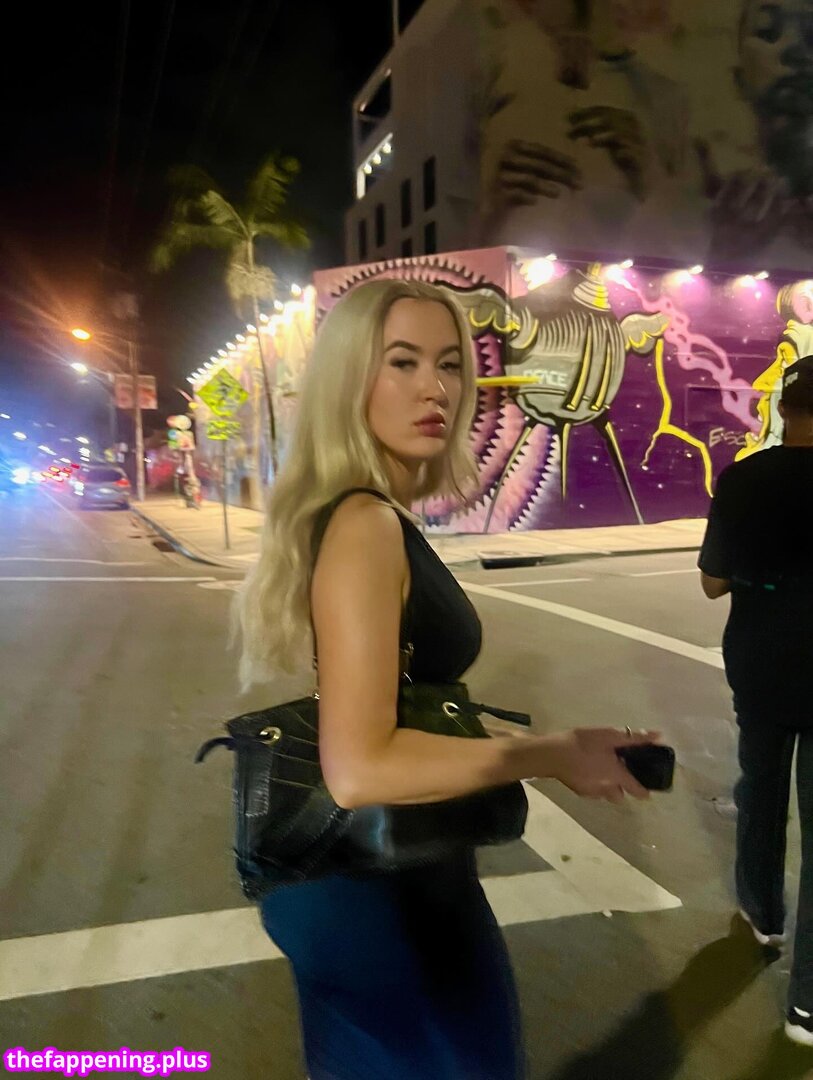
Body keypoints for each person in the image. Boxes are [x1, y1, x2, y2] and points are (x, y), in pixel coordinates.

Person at [236, 278, 658, 1080]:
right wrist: (549, 755)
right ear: (349, 380)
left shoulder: (372, 516)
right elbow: (360, 767)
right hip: (383, 902)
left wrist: (549, 744)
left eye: (450, 363)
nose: (434, 388)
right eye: (402, 362)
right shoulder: (363, 525)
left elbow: (406, 707)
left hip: (385, 889)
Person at [698, 354, 813, 1047]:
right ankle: (808, 1008)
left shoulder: (744, 478)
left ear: (783, 409)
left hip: (762, 666)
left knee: (760, 792)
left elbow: (712, 582)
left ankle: (763, 916)